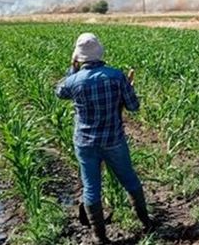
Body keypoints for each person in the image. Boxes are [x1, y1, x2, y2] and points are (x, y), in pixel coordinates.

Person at [56, 32, 151, 244]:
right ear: (99, 52)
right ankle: (147, 223)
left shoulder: (73, 81)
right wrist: (129, 90)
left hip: (85, 142)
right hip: (113, 140)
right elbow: (133, 107)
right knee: (129, 180)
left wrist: (73, 67)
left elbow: (60, 92)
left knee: (91, 187)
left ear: (79, 58)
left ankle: (100, 238)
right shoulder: (116, 76)